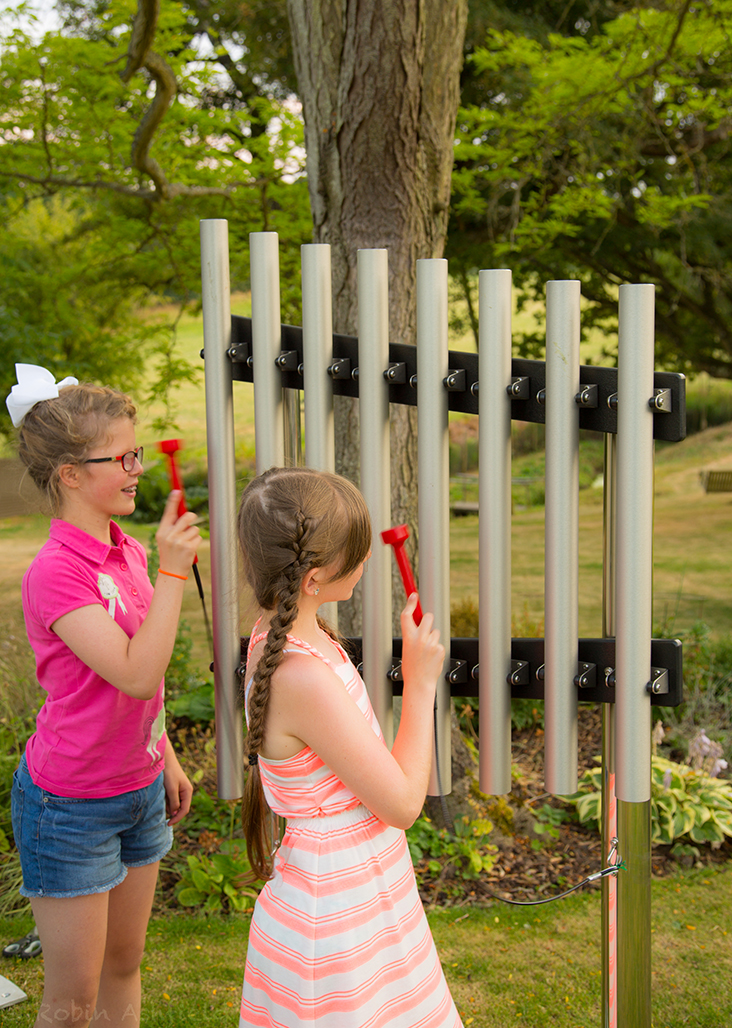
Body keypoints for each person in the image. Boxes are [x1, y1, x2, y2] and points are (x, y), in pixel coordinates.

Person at [5, 363, 201, 1028]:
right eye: (122, 457)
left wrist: (165, 759)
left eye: (136, 453)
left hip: (138, 789)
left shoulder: (129, 553)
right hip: (70, 806)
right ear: (70, 474)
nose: (136, 468)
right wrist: (175, 570)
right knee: (71, 1003)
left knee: (124, 968)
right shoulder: (56, 574)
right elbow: (134, 672)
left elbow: (146, 691)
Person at [238, 466, 463, 1028]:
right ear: (314, 577)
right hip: (335, 913)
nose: (366, 564)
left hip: (364, 887)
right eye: (357, 554)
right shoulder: (301, 675)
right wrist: (420, 684)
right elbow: (404, 804)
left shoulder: (293, 640)